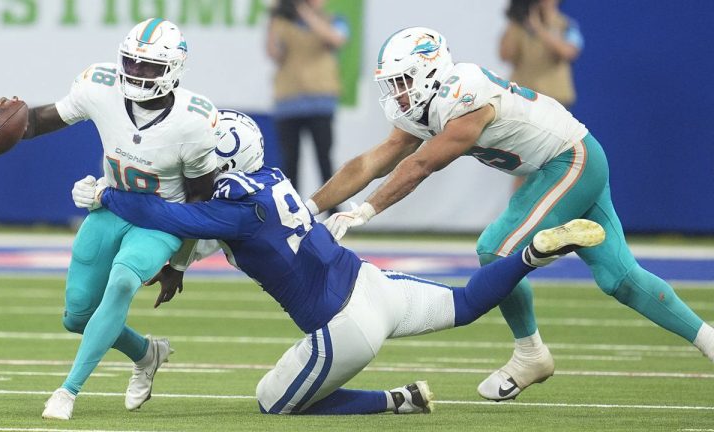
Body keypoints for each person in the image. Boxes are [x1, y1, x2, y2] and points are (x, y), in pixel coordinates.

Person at [71, 109, 606, 415]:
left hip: (343, 325)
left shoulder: (235, 210)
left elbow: (170, 217)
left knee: (271, 403)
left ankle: (395, 401)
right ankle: (532, 254)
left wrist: (106, 196)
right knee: (466, 302)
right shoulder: (274, 180)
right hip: (371, 281)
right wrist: (180, 263)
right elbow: (206, 230)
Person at [306, 27, 714, 401]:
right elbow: (370, 161)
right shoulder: (428, 104)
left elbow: (421, 165)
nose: (397, 93)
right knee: (620, 279)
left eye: (403, 81)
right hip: (564, 164)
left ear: (431, 70)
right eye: (393, 84)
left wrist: (365, 211)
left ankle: (529, 353)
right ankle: (710, 341)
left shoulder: (462, 93)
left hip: (571, 161)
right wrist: (309, 206)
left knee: (496, 248)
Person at [0, 18, 221, 419]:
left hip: (160, 221)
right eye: (132, 62)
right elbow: (44, 120)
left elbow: (201, 201)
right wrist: (10, 118)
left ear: (174, 69)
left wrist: (178, 264)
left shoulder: (195, 121)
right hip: (110, 207)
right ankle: (148, 353)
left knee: (123, 280)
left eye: (149, 66)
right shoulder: (100, 85)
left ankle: (67, 390)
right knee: (77, 317)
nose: (137, 73)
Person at [266, 0, 347, 201]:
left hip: (320, 101)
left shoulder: (333, 19)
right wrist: (273, 18)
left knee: (324, 160)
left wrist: (305, 13)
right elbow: (274, 54)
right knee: (290, 163)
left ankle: (333, 210)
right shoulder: (283, 22)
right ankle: (291, 212)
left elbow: (336, 39)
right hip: (288, 102)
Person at [500, 0, 583, 190]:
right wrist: (515, 22)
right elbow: (505, 55)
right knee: (524, 161)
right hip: (525, 101)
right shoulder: (520, 26)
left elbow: (568, 51)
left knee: (555, 161)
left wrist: (540, 29)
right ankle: (520, 214)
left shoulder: (566, 25)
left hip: (555, 100)